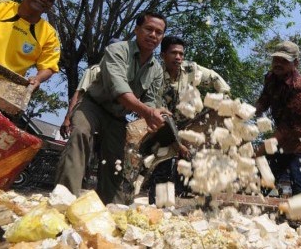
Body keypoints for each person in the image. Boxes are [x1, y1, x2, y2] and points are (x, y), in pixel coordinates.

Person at [55, 12, 169, 204]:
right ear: (137, 29)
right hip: (93, 106)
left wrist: (155, 114)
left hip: (117, 117)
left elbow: (150, 101)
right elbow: (120, 90)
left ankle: (111, 207)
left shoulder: (156, 69)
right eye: (149, 29)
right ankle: (63, 199)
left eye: (159, 32)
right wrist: (148, 113)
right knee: (80, 134)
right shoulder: (117, 50)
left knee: (116, 159)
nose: (153, 35)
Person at [147, 35, 231, 203]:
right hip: (164, 126)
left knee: (200, 161)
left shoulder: (191, 69)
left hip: (190, 124)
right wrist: (178, 144)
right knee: (162, 162)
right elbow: (161, 113)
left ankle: (205, 203)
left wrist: (225, 98)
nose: (178, 57)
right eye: (173, 53)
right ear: (163, 55)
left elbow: (215, 78)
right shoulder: (155, 74)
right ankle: (157, 205)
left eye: (181, 54)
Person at [254, 41, 301, 196]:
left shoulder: (299, 89)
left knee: (297, 177)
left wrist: (258, 152)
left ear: (295, 63)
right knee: (267, 175)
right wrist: (248, 112)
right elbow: (264, 100)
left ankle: (300, 216)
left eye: (284, 61)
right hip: (283, 132)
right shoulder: (271, 77)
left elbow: (287, 128)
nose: (278, 64)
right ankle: (255, 206)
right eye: (276, 59)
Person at [60, 38, 121, 139]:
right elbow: (78, 94)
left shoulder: (122, 76)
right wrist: (68, 118)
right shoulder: (94, 70)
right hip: (88, 116)